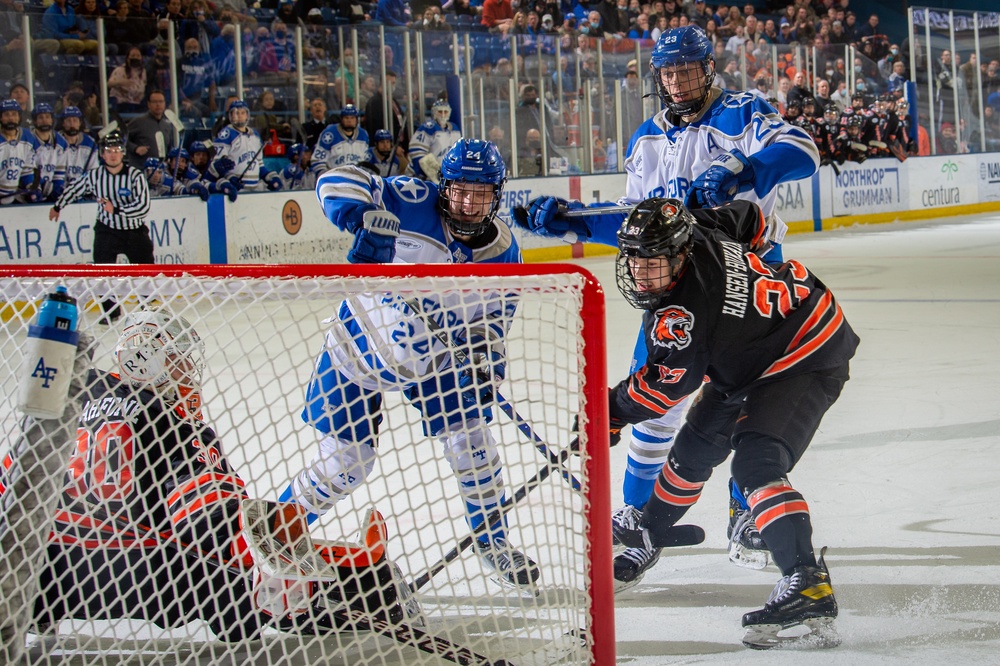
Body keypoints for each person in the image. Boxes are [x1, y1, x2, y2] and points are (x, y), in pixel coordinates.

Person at [512, 25, 820, 590]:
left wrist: (742, 168)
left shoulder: (743, 111)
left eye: (688, 71)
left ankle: (745, 512)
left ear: (708, 69)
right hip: (678, 285)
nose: (678, 82)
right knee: (655, 399)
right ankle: (636, 521)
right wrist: (570, 219)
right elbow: (637, 220)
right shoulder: (646, 138)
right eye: (669, 73)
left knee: (745, 400)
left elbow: (803, 151)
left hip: (746, 281)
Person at [3, 309, 406, 642]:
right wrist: (271, 558)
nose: (189, 371)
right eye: (179, 360)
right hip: (142, 581)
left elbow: (14, 485)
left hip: (50, 577)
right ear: (154, 364)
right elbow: (208, 522)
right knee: (250, 577)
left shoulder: (78, 394)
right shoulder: (178, 426)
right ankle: (370, 583)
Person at [280, 139, 540, 591]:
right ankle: (281, 529)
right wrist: (360, 218)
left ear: (496, 195)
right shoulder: (410, 200)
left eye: (480, 194)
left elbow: (495, 317)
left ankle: (493, 542)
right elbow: (333, 180)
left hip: (437, 362)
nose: (466, 203)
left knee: (473, 445)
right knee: (346, 465)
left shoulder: (503, 252)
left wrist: (484, 358)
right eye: (459, 190)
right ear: (444, 187)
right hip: (358, 347)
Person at [608, 196, 858, 649]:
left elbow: (661, 389)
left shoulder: (683, 316)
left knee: (756, 466)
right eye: (634, 258)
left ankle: (807, 582)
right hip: (748, 351)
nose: (641, 271)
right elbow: (752, 215)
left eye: (654, 262)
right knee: (692, 450)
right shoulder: (701, 228)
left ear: (680, 254)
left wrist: (608, 412)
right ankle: (652, 532)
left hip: (806, 353)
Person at [49, 130, 151, 322]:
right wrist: (58, 206)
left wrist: (117, 210)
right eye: (108, 150)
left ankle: (148, 309)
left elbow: (143, 207)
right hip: (107, 229)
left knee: (146, 271)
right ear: (102, 155)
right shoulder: (95, 176)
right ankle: (111, 312)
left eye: (117, 150)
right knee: (103, 272)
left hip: (135, 231)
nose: (113, 154)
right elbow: (75, 189)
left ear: (122, 153)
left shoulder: (135, 176)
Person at [202, 99, 282, 201]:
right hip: (234, 190)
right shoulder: (226, 134)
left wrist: (269, 177)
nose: (239, 115)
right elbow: (217, 165)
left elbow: (259, 164)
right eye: (236, 113)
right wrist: (230, 177)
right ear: (230, 115)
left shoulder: (255, 136)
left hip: (256, 190)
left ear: (247, 115)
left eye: (242, 113)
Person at [406, 99, 462, 182]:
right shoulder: (428, 128)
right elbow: (416, 152)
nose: (443, 115)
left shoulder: (455, 129)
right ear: (434, 112)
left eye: (445, 112)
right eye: (440, 111)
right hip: (419, 177)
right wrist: (424, 173)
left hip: (443, 177)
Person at [309, 104, 370, 177]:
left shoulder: (363, 135)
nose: (349, 121)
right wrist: (326, 178)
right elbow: (317, 161)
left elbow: (366, 161)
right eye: (346, 118)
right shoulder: (329, 134)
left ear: (357, 120)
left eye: (352, 118)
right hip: (335, 180)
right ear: (341, 119)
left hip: (356, 180)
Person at [0, 98, 39, 205]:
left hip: (13, 197)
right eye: (6, 114)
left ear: (19, 117)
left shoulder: (28, 137)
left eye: (14, 114)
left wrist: (31, 188)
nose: (11, 118)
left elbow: (27, 170)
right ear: (1, 117)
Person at [126, 90, 177, 170]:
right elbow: (123, 139)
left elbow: (169, 147)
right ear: (148, 104)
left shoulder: (166, 126)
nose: (158, 104)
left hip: (161, 171)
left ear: (164, 104)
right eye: (154, 102)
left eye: (161, 101)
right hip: (141, 171)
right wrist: (135, 148)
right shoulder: (138, 122)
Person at [29, 102, 68, 203]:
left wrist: (56, 189)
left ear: (52, 120)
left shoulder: (61, 142)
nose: (44, 120)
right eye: (40, 117)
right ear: (34, 121)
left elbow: (59, 174)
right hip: (27, 192)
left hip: (48, 193)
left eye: (47, 117)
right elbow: (27, 171)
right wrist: (39, 185)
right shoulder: (27, 140)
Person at [58, 106, 98, 189]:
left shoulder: (90, 143)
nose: (72, 124)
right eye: (68, 120)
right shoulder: (56, 141)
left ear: (80, 123)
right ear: (63, 123)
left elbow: (93, 171)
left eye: (75, 120)